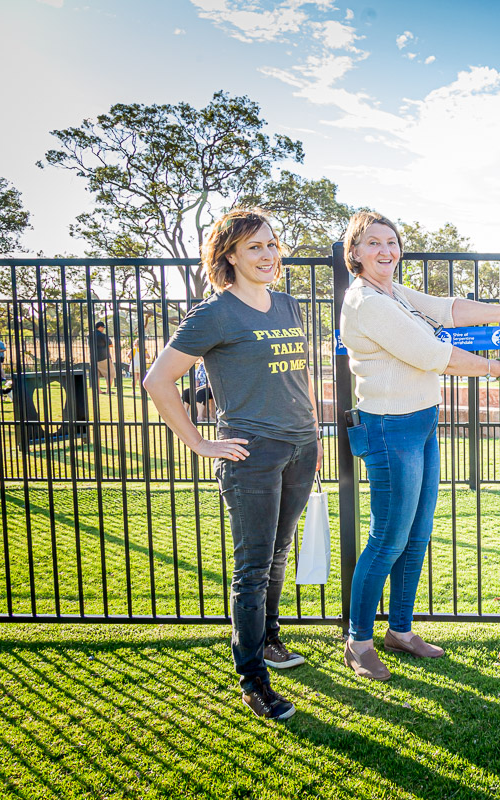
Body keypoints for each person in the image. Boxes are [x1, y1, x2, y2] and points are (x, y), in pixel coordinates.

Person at [144, 208, 321, 721]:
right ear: (229, 256)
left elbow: (293, 378)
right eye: (255, 248)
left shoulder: (288, 305)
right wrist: (200, 443)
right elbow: (158, 381)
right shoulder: (214, 314)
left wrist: (310, 427)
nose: (268, 256)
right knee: (252, 566)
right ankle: (253, 681)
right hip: (252, 455)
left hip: (300, 445)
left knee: (279, 553)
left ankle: (269, 641)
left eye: (272, 245)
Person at [339, 210, 500, 681]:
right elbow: (431, 354)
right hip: (389, 429)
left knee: (417, 534)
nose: (386, 250)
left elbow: (448, 309)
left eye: (391, 241)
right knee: (388, 539)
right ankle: (358, 642)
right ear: (355, 254)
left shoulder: (395, 294)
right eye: (373, 243)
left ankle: (400, 632)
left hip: (422, 422)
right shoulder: (367, 302)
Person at [92, 321, 113, 393]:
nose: (103, 329)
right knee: (110, 373)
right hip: (103, 357)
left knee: (96, 375)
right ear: (100, 327)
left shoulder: (90, 335)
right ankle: (108, 390)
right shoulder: (102, 335)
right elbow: (110, 344)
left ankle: (98, 390)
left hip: (93, 357)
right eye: (103, 327)